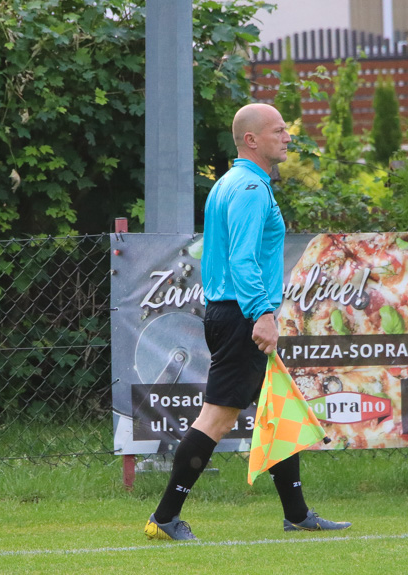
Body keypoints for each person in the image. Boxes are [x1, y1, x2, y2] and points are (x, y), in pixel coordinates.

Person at [144, 103, 351, 541]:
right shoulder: (251, 190)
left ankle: (296, 514)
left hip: (230, 312)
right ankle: (164, 519)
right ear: (252, 139)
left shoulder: (230, 183)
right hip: (242, 314)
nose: (288, 136)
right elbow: (241, 258)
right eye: (279, 130)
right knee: (217, 419)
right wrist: (262, 313)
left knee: (278, 408)